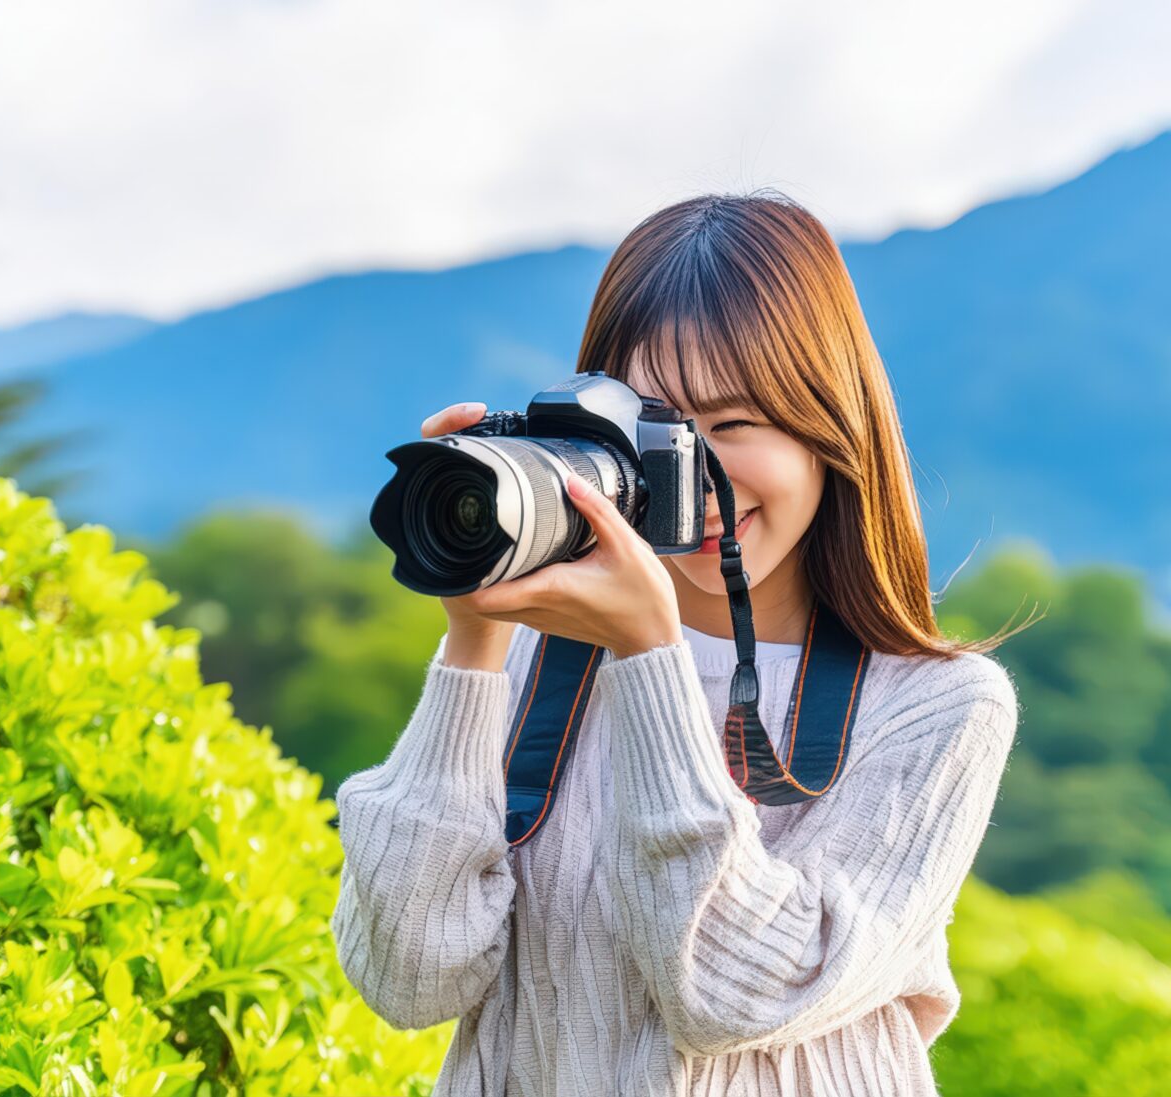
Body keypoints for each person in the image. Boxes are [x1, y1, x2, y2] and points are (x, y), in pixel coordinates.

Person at [331, 191, 1034, 1096]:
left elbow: (730, 991)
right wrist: (473, 638)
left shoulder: (937, 705)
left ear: (831, 430)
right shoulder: (531, 658)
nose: (696, 475)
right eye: (656, 430)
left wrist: (649, 655)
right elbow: (408, 978)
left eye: (734, 425)